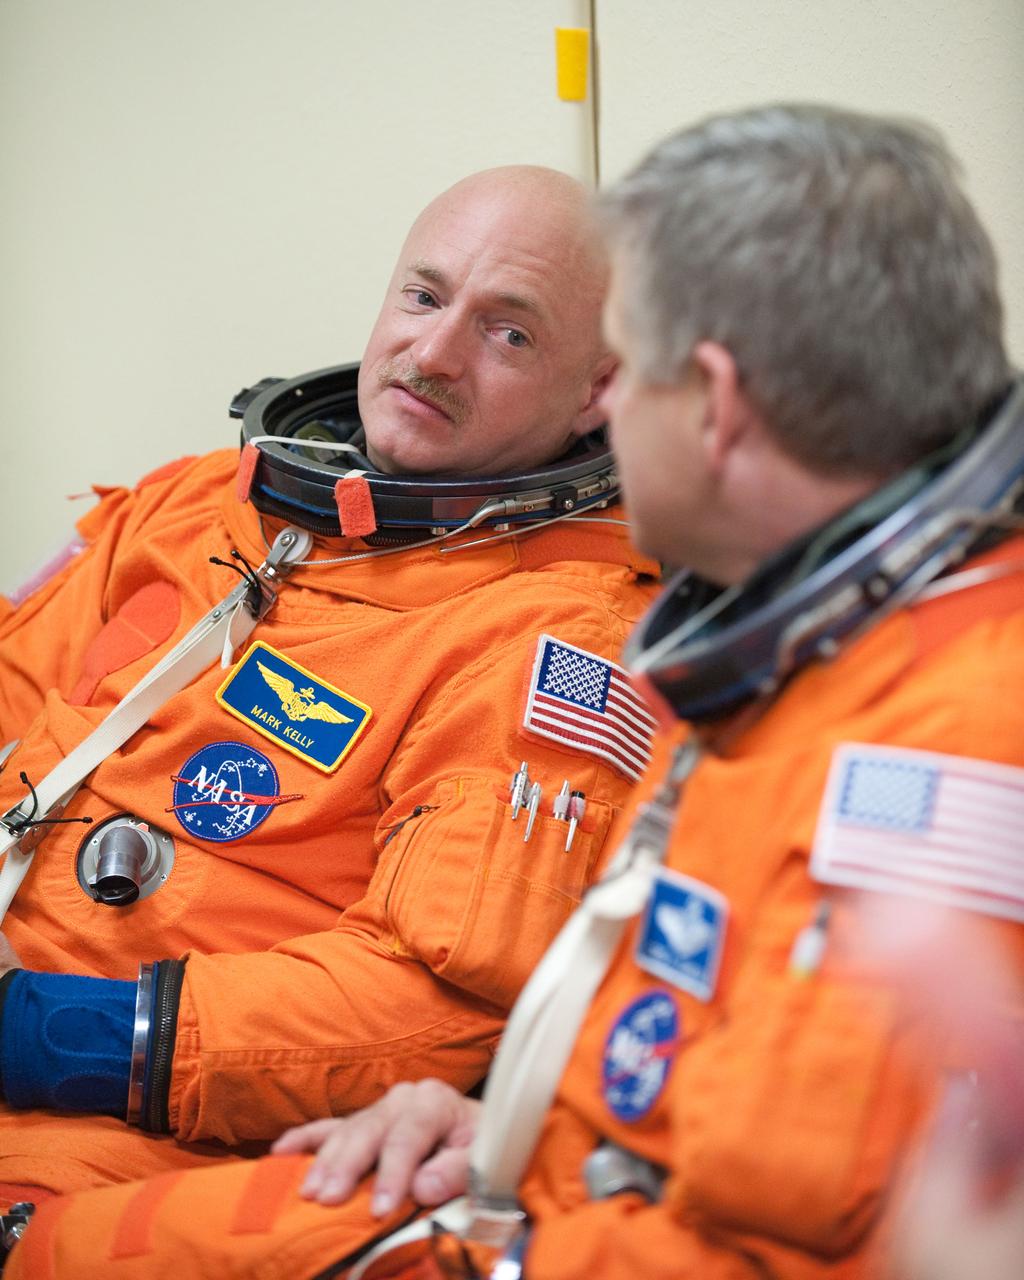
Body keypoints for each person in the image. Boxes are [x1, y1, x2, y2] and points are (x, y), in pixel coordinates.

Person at [4, 102, 1024, 1280]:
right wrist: (512, 1117)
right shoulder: (814, 664)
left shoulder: (931, 744)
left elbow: (757, 1231)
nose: (607, 429)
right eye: (425, 298)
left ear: (710, 401)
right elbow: (680, 1088)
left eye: (611, 372)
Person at [0, 165, 660, 1203]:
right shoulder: (188, 504)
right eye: (424, 295)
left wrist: (49, 1032)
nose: (432, 353)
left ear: (597, 390)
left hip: (130, 1139)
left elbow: (428, 1006)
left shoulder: (558, 635)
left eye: (509, 332)